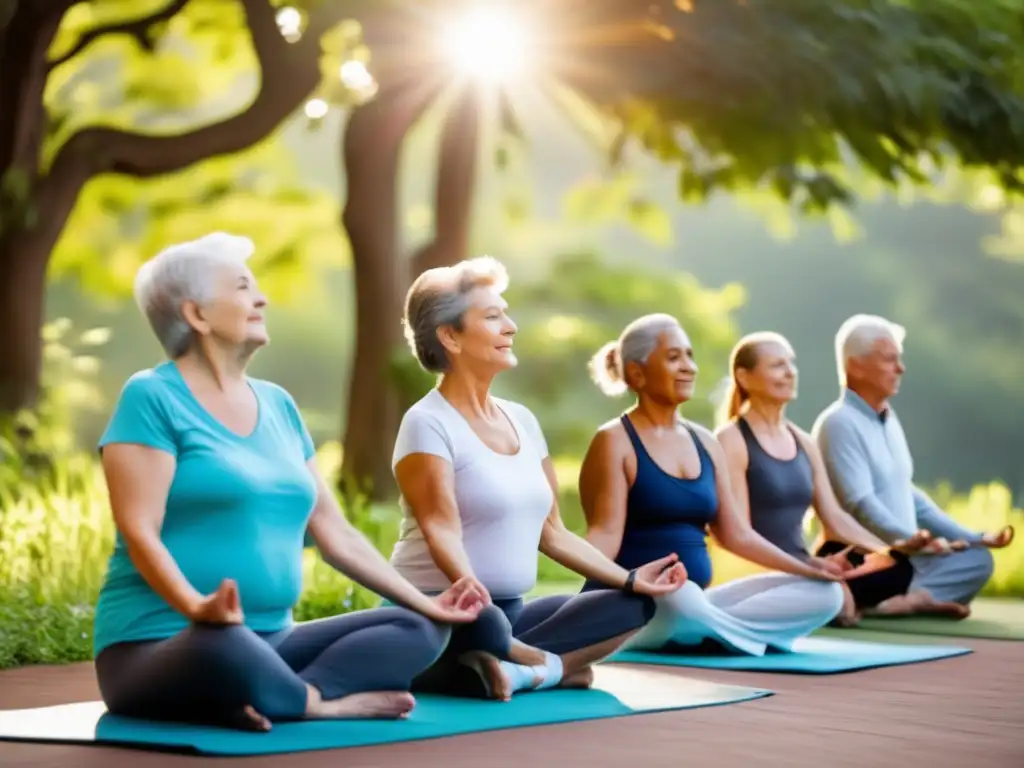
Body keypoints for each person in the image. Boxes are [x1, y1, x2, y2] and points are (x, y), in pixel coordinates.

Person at [93, 233, 486, 733]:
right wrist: (197, 608)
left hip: (272, 641)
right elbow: (139, 529)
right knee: (224, 644)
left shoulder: (277, 404)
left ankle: (277, 693)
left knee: (418, 627)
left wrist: (424, 601)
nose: (261, 299)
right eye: (241, 288)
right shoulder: (151, 396)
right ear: (196, 315)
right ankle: (317, 703)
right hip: (164, 643)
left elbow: (335, 534)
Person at [390, 256, 686, 701]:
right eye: (493, 317)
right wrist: (473, 598)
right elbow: (440, 529)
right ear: (450, 336)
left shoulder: (523, 420)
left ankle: (524, 670)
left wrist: (627, 578)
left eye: (506, 314)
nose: (510, 327)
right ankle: (546, 666)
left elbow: (553, 532)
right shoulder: (427, 422)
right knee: (488, 625)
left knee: (634, 604)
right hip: (443, 610)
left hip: (512, 614)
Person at [578, 314, 846, 657]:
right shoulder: (614, 441)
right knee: (683, 597)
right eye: (674, 357)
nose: (688, 366)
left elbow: (737, 534)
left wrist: (810, 567)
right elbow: (603, 535)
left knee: (827, 594)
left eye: (690, 356)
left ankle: (709, 631)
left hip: (696, 601)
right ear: (636, 372)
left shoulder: (705, 441)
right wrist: (587, 603)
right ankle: (729, 635)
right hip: (634, 604)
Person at [715, 331, 932, 627]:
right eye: (777, 365)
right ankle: (839, 601)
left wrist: (892, 549)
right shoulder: (731, 440)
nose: (790, 372)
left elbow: (834, 518)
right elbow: (737, 534)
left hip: (805, 567)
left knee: (898, 568)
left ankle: (841, 600)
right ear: (744, 377)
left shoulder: (803, 441)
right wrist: (809, 569)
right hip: (759, 568)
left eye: (791, 364)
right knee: (830, 595)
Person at [812, 314, 1012, 618]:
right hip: (867, 555)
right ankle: (909, 598)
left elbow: (909, 496)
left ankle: (911, 599)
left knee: (977, 559)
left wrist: (972, 536)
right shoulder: (838, 423)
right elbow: (860, 503)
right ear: (856, 365)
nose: (900, 368)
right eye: (890, 360)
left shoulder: (889, 420)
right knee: (894, 570)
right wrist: (908, 541)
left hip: (909, 554)